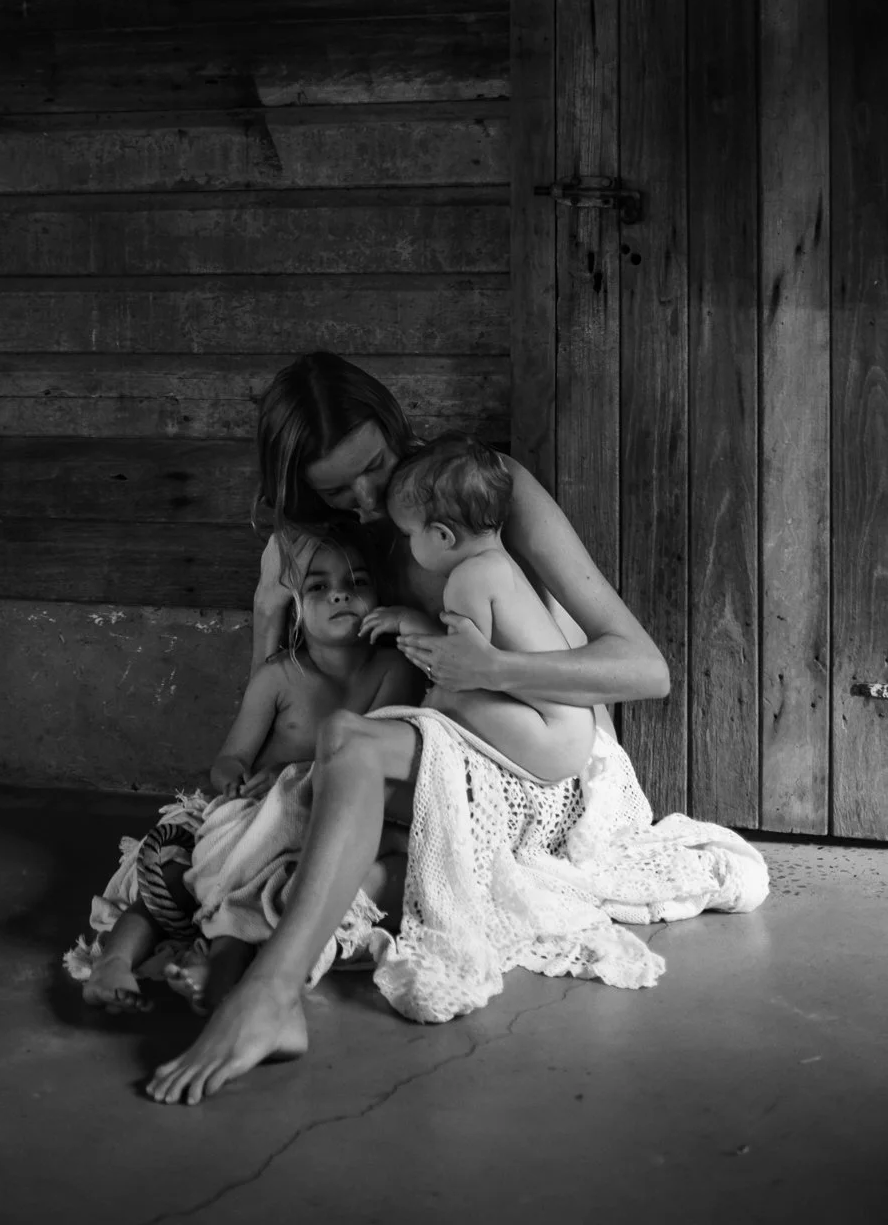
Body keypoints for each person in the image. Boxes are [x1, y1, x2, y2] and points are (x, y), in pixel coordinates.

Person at [148, 350, 670, 1105]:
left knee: (348, 752)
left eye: (377, 464)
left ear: (398, 429)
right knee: (286, 813)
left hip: (535, 749)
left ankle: (266, 993)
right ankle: (274, 973)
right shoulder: (323, 541)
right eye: (335, 488)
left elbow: (642, 669)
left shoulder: (477, 489)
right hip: (434, 746)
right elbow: (284, 672)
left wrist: (486, 668)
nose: (365, 497)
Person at [74, 526, 422, 1014]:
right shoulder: (280, 675)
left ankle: (216, 969)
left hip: (321, 825)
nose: (341, 593)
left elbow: (367, 760)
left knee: (273, 892)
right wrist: (234, 777)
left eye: (357, 582)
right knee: (174, 876)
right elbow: (230, 757)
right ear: (296, 608)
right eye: (318, 587)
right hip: (252, 817)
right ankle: (113, 961)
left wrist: (290, 768)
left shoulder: (392, 669)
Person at [361, 434, 596, 785]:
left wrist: (410, 623)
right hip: (573, 730)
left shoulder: (466, 581)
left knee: (442, 699)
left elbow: (455, 667)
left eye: (408, 534)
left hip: (551, 741)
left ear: (442, 536)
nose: (408, 545)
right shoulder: (499, 565)